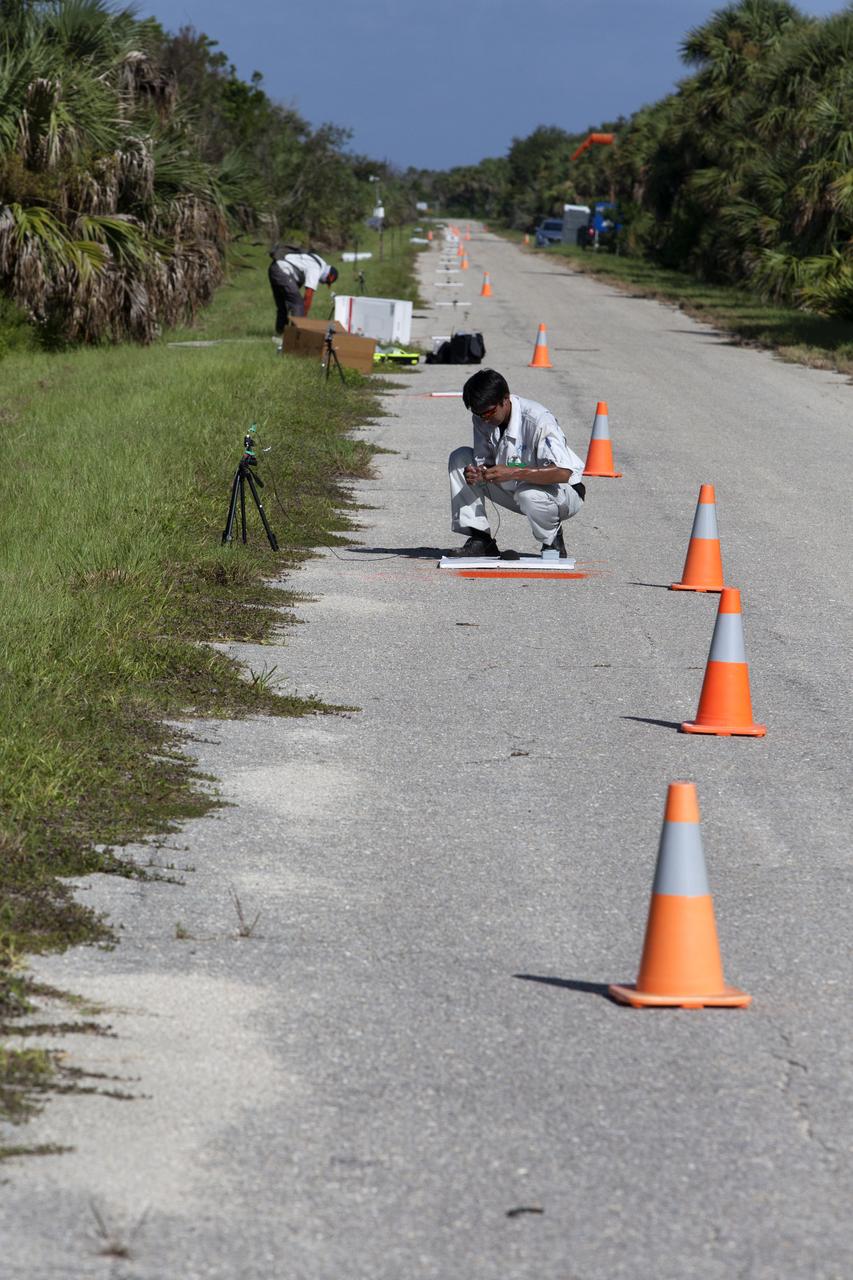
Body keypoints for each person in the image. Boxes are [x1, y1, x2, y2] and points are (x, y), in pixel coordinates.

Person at [447, 368, 586, 558]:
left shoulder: (538, 420)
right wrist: (479, 473)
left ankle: (552, 540)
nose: (484, 420)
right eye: (478, 414)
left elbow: (563, 473)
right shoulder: (482, 417)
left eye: (488, 413)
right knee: (460, 458)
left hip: (561, 493)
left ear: (505, 399)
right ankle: (481, 539)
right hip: (514, 485)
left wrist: (513, 472)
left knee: (529, 494)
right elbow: (485, 462)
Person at [268, 247, 339, 335]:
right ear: (329, 276)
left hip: (274, 268)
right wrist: (303, 318)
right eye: (326, 282)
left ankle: (280, 332)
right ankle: (295, 335)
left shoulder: (318, 260)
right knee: (298, 304)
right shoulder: (316, 268)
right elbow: (308, 295)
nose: (323, 283)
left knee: (283, 305)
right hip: (283, 271)